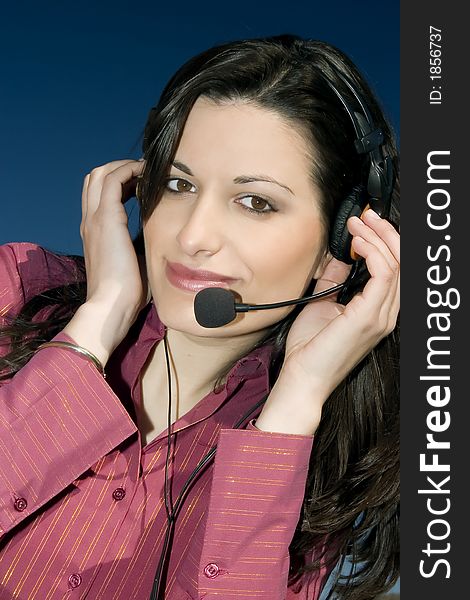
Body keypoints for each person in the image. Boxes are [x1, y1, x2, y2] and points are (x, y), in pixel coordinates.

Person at [0, 34, 399, 600]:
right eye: (179, 184)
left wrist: (295, 404)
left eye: (255, 202)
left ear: (342, 241)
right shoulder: (16, 290)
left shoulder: (311, 456)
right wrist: (98, 320)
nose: (191, 236)